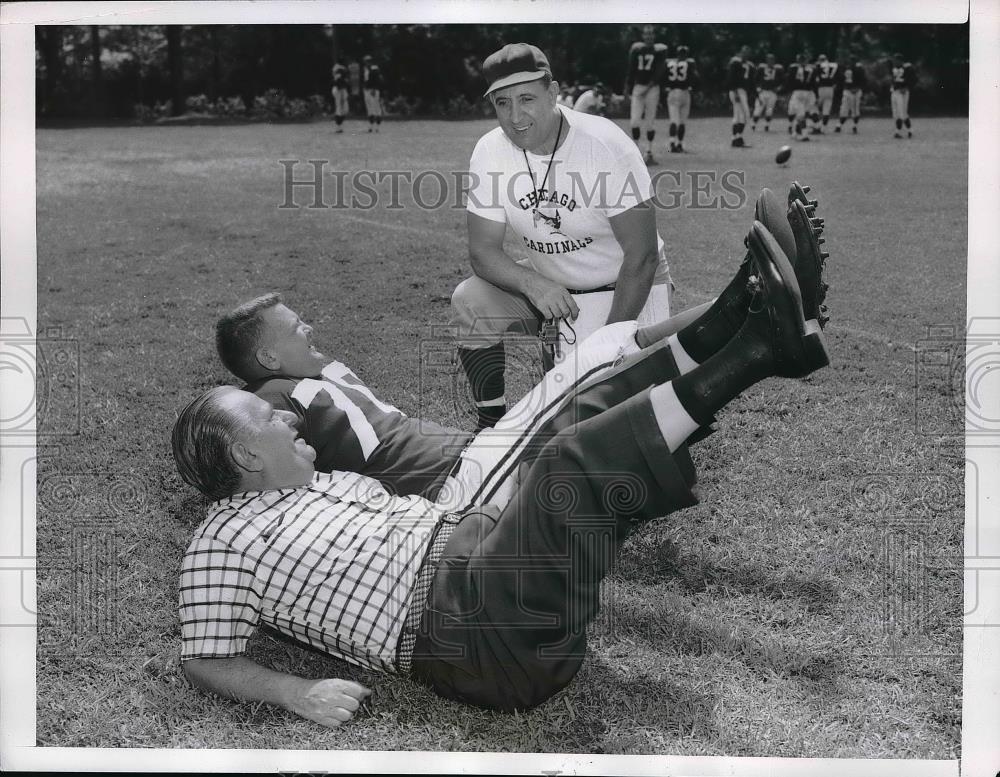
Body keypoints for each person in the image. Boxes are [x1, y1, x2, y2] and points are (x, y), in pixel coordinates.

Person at [172, 217, 832, 724]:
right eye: (271, 425)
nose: (284, 422)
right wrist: (296, 690)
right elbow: (200, 654)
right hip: (468, 628)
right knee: (571, 450)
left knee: (590, 396)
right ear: (245, 455)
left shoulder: (323, 485)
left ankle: (759, 324)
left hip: (477, 553)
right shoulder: (225, 537)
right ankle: (758, 341)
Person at [214, 186, 828, 514]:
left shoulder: (308, 377)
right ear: (266, 364)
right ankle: (758, 310)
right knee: (595, 375)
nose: (310, 329)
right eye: (295, 330)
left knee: (599, 363)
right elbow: (252, 462)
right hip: (457, 488)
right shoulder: (275, 397)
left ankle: (756, 301)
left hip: (475, 458)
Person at [451, 42, 675, 431]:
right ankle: (489, 426)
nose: (515, 116)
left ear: (553, 93)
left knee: (602, 423)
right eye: (502, 103)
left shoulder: (604, 145)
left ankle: (590, 364)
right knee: (470, 300)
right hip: (554, 289)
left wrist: (605, 347)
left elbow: (642, 257)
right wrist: (533, 284)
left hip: (626, 285)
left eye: (526, 98)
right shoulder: (489, 151)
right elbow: (483, 252)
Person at [624, 25, 669, 163]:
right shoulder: (637, 49)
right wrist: (627, 88)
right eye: (646, 34)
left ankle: (649, 152)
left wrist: (649, 85)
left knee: (650, 122)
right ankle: (636, 151)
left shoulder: (659, 50)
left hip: (652, 88)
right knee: (635, 121)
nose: (649, 36)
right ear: (643, 36)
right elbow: (631, 70)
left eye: (651, 34)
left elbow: (659, 71)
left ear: (654, 36)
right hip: (638, 87)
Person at [664, 44, 697, 152]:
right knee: (682, 121)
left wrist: (666, 86)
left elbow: (663, 76)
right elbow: (694, 76)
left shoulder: (669, 62)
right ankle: (679, 144)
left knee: (674, 120)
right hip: (684, 91)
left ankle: (672, 142)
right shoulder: (690, 63)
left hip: (673, 92)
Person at [726, 46, 754, 147]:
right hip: (737, 91)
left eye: (748, 53)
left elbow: (750, 82)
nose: (746, 55)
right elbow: (730, 78)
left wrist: (751, 94)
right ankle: (736, 138)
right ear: (741, 52)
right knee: (740, 116)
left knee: (740, 117)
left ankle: (737, 138)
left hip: (743, 92)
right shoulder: (735, 63)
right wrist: (735, 92)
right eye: (744, 52)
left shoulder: (749, 65)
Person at [785, 53, 816, 142]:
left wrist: (788, 90)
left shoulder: (794, 67)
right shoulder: (811, 68)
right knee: (798, 114)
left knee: (800, 114)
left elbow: (789, 80)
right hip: (807, 93)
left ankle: (804, 135)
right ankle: (795, 132)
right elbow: (814, 82)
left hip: (800, 93)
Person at [751, 53, 782, 133]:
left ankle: (767, 125)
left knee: (769, 110)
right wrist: (758, 88)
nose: (771, 61)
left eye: (772, 59)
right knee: (758, 109)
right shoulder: (761, 68)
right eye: (769, 59)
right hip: (763, 91)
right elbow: (756, 79)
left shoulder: (778, 69)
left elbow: (783, 81)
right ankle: (753, 125)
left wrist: (778, 88)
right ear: (766, 60)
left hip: (772, 92)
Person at [889, 53, 916, 139]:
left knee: (902, 113)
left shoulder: (907, 68)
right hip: (895, 91)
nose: (894, 61)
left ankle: (898, 132)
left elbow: (914, 79)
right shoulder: (894, 68)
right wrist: (892, 86)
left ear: (900, 60)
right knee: (896, 113)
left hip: (902, 92)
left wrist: (907, 87)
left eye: (896, 60)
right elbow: (894, 79)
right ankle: (909, 130)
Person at [836, 59, 867, 133]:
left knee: (855, 110)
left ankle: (854, 126)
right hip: (848, 90)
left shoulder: (858, 70)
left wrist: (858, 87)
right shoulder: (845, 69)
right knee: (844, 109)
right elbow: (841, 80)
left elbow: (863, 80)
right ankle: (839, 125)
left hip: (854, 91)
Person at [813, 54, 839, 133]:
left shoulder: (818, 66)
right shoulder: (834, 65)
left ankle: (817, 125)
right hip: (830, 89)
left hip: (821, 88)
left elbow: (815, 79)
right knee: (826, 109)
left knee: (813, 107)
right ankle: (823, 128)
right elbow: (839, 77)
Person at [362, 55, 384, 133]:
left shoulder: (374, 68)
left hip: (373, 89)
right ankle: (371, 126)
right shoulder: (365, 68)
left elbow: (377, 79)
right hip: (367, 90)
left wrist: (374, 88)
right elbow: (365, 80)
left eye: (368, 61)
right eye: (365, 61)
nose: (366, 62)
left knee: (376, 108)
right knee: (369, 108)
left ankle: (377, 127)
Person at [330, 60, 350, 133]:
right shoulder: (339, 69)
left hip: (340, 89)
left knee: (343, 109)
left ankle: (339, 126)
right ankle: (338, 127)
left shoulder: (338, 68)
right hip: (339, 89)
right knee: (340, 109)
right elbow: (338, 81)